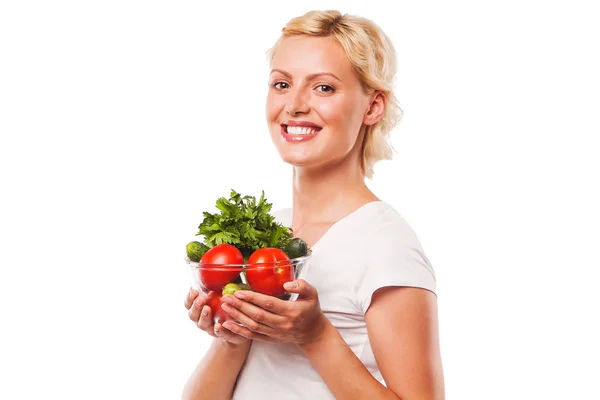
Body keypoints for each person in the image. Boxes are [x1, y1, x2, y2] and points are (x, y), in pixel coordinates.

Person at [182, 10, 445, 400]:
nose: (295, 105)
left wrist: (315, 334)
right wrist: (233, 335)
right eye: (282, 83)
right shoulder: (271, 236)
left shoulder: (386, 244)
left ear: (373, 107)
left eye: (323, 88)